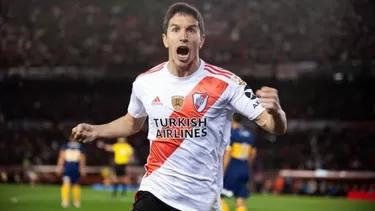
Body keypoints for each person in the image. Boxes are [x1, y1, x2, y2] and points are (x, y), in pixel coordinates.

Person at [71, 2, 287, 211]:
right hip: (155, 192)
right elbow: (132, 122)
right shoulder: (145, 82)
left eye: (191, 30)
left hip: (202, 202)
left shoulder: (227, 83)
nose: (183, 36)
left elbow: (273, 126)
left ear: (201, 40)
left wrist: (276, 112)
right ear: (166, 39)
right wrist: (96, 130)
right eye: (176, 29)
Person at [221, 114, 257, 211]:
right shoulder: (250, 134)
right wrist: (248, 168)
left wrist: (222, 170)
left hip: (232, 169)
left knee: (219, 197)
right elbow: (253, 154)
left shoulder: (231, 133)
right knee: (240, 201)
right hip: (244, 168)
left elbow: (228, 153)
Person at [56, 135, 86, 208]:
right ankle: (65, 201)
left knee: (76, 184)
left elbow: (82, 159)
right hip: (67, 168)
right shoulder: (65, 147)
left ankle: (76, 201)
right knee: (66, 183)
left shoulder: (80, 147)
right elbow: (61, 158)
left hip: (76, 168)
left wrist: (82, 168)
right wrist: (59, 166)